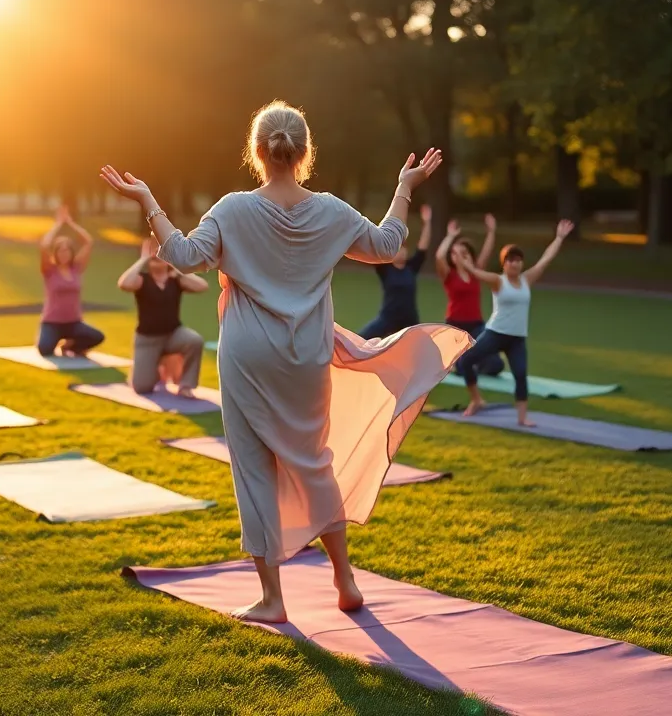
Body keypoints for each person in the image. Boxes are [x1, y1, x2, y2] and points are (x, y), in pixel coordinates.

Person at [99, 100, 471, 624]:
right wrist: (404, 188)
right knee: (313, 462)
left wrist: (149, 201)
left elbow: (182, 256)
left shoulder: (231, 209)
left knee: (254, 470)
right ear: (304, 153)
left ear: (257, 152)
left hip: (248, 356)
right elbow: (389, 245)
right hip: (306, 356)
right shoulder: (331, 211)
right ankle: (345, 581)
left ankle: (273, 599)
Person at [454, 220, 575, 423]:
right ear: (504, 263)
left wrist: (559, 238)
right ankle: (476, 399)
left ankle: (522, 418)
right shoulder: (498, 281)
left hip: (517, 338)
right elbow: (476, 273)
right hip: (495, 333)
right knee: (465, 361)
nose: (515, 263)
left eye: (518, 260)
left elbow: (545, 260)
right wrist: (463, 260)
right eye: (510, 260)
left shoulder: (527, 280)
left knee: (520, 375)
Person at [116, 238, 210, 397]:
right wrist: (143, 258)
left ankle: (186, 386)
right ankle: (155, 367)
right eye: (154, 258)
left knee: (195, 340)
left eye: (161, 257)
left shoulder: (176, 281)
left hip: (173, 335)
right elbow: (124, 283)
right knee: (142, 387)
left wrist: (176, 266)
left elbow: (202, 286)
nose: (157, 260)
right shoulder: (142, 280)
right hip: (147, 340)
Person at [436, 215, 505, 380]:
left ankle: (472, 363)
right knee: (461, 368)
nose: (459, 256)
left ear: (470, 256)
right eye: (455, 254)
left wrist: (491, 232)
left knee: (497, 365)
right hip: (455, 326)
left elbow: (487, 251)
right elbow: (439, 256)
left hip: (476, 326)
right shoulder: (449, 275)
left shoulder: (476, 272)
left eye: (463, 253)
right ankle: (462, 363)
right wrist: (450, 236)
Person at [36, 206, 105, 357]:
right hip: (52, 323)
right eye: (60, 250)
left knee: (98, 337)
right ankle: (54, 340)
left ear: (71, 252)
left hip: (73, 323)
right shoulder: (49, 270)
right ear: (56, 253)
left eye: (67, 250)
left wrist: (71, 223)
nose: (64, 253)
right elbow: (44, 245)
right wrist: (58, 224)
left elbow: (88, 242)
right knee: (45, 350)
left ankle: (69, 345)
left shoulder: (76, 268)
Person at [358, 205, 433, 339]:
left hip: (409, 320)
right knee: (361, 339)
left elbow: (423, 246)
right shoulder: (385, 268)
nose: (402, 252)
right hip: (388, 317)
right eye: (398, 249)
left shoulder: (411, 267)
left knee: (421, 348)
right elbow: (376, 246)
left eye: (403, 248)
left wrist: (427, 222)